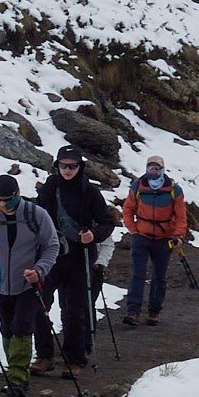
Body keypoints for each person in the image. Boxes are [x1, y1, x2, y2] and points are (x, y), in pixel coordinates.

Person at [34, 146, 115, 375]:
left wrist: (94, 236)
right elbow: (38, 217)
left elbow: (106, 222)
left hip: (80, 258)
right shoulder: (49, 189)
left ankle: (74, 359)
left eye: (72, 165)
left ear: (80, 167)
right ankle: (44, 356)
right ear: (57, 166)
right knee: (40, 305)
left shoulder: (89, 191)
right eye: (63, 165)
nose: (67, 169)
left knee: (75, 310)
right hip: (50, 256)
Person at [0, 175, 59, 397]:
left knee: (22, 326)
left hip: (29, 283)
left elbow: (51, 245)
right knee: (6, 328)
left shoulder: (36, 215)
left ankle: (17, 379)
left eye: (7, 200)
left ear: (17, 194)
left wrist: (39, 270)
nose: (3, 205)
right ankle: (14, 371)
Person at [121, 156, 187, 326]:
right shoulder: (138, 186)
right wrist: (133, 230)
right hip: (141, 236)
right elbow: (128, 209)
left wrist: (179, 235)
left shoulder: (174, 190)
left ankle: (154, 312)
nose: (154, 171)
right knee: (138, 273)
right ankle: (133, 312)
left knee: (159, 276)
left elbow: (181, 216)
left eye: (157, 168)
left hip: (164, 239)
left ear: (163, 169)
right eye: (151, 168)